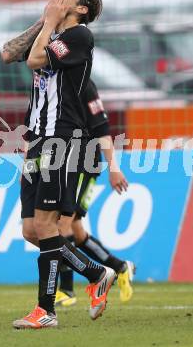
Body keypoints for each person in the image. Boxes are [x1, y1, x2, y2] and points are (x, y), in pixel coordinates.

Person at [1, 0, 128, 330]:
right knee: (32, 230)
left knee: (47, 225)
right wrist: (47, 19)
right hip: (36, 138)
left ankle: (46, 311)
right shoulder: (54, 30)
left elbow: (34, 60)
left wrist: (52, 22)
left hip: (63, 138)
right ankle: (96, 273)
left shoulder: (80, 37)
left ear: (83, 9)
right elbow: (8, 53)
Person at [55, 79, 135, 308]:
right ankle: (120, 267)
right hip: (66, 164)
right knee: (77, 232)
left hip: (86, 167)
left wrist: (113, 167)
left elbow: (103, 129)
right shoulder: (54, 83)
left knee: (62, 225)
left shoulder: (84, 87)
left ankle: (67, 290)